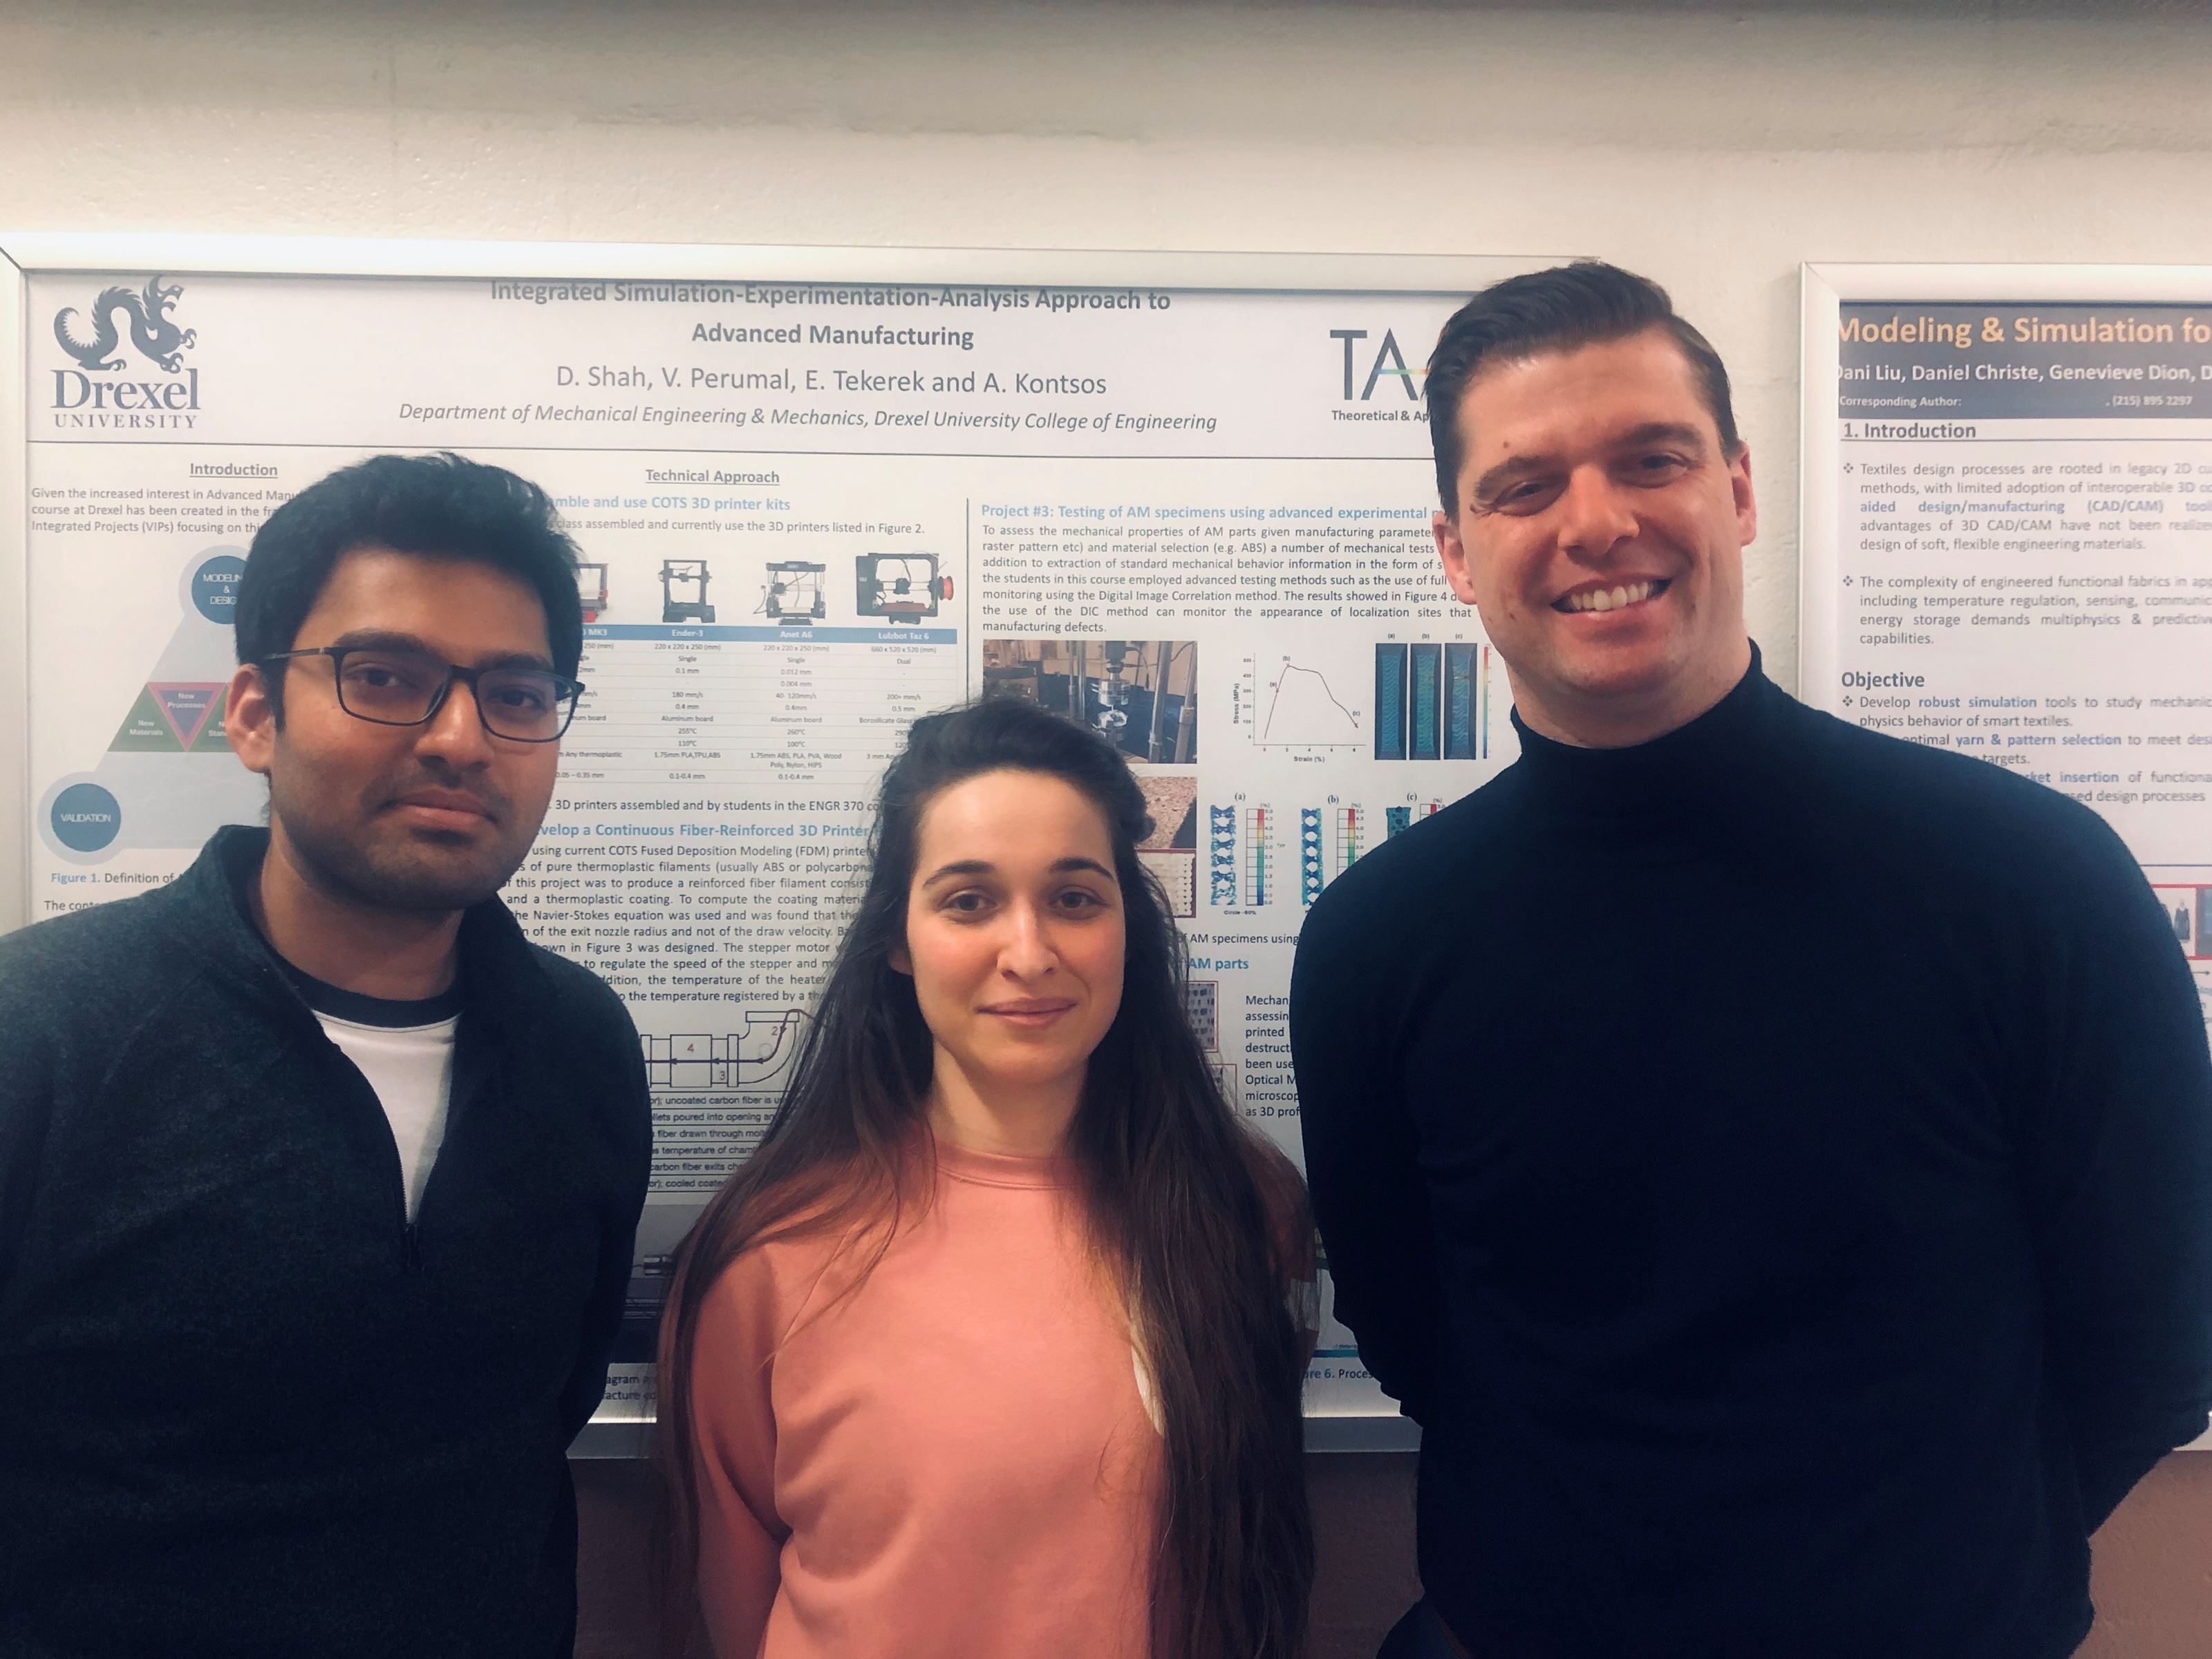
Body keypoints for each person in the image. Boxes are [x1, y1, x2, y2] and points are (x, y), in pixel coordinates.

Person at [1290, 262, 2212, 1659]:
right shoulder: (1376, 940)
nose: (1595, 522)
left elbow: (2159, 1325)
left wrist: (1940, 1564)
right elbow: (1415, 1336)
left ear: (1735, 493)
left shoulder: (2027, 877)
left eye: (1648, 460)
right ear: (1455, 550)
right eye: (1523, 486)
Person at [0, 453, 653, 1658]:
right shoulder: (41, 1026)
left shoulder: (583, 1048)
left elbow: (540, 1414)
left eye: (516, 694)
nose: (462, 738)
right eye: (387, 677)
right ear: (254, 713)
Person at [659, 695, 1314, 1659]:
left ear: (1124, 927)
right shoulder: (768, 1257)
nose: (1029, 952)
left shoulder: (1239, 1210)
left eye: (1074, 898)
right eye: (969, 900)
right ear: (898, 936)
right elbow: (735, 1602)